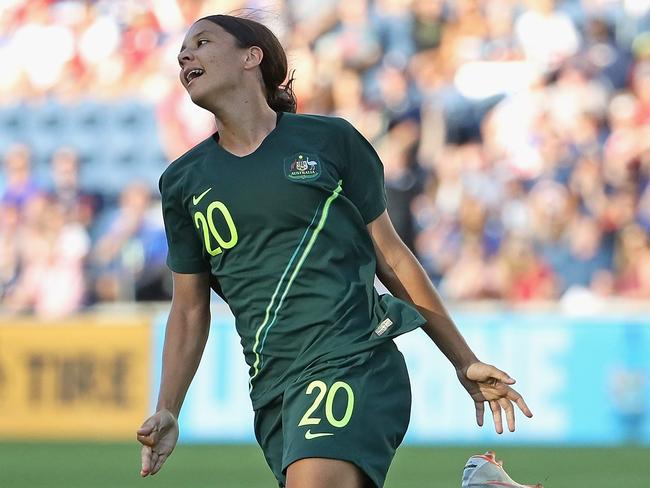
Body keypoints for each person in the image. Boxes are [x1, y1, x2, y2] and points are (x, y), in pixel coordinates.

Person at [136, 14, 533, 488]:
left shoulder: (330, 140)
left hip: (353, 358)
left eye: (201, 42)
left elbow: (392, 256)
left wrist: (462, 360)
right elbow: (188, 308)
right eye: (182, 50)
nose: (185, 55)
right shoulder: (183, 181)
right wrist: (168, 407)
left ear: (251, 57)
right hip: (273, 388)